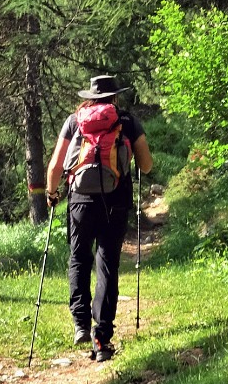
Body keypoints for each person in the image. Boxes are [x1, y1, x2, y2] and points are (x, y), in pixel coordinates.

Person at [45, 75, 152, 362]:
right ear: (115, 96)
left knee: (79, 259)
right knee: (107, 264)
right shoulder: (127, 122)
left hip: (80, 201)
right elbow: (146, 164)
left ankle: (80, 323)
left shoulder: (74, 120)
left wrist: (51, 193)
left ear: (90, 96)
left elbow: (56, 164)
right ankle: (101, 336)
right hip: (116, 200)